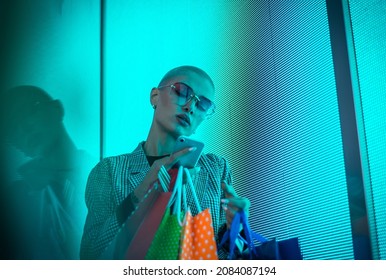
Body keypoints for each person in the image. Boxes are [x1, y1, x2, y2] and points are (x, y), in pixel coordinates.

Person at [80, 66, 250, 260]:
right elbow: (90, 255)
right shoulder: (110, 171)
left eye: (203, 104)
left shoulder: (216, 170)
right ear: (155, 97)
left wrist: (236, 229)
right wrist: (140, 194)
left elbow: (231, 258)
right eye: (182, 91)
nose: (190, 107)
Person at [1, 85, 92, 259]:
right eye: (13, 127)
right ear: (15, 145)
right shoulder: (12, 202)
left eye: (32, 108)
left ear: (57, 109)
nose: (24, 126)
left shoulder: (111, 175)